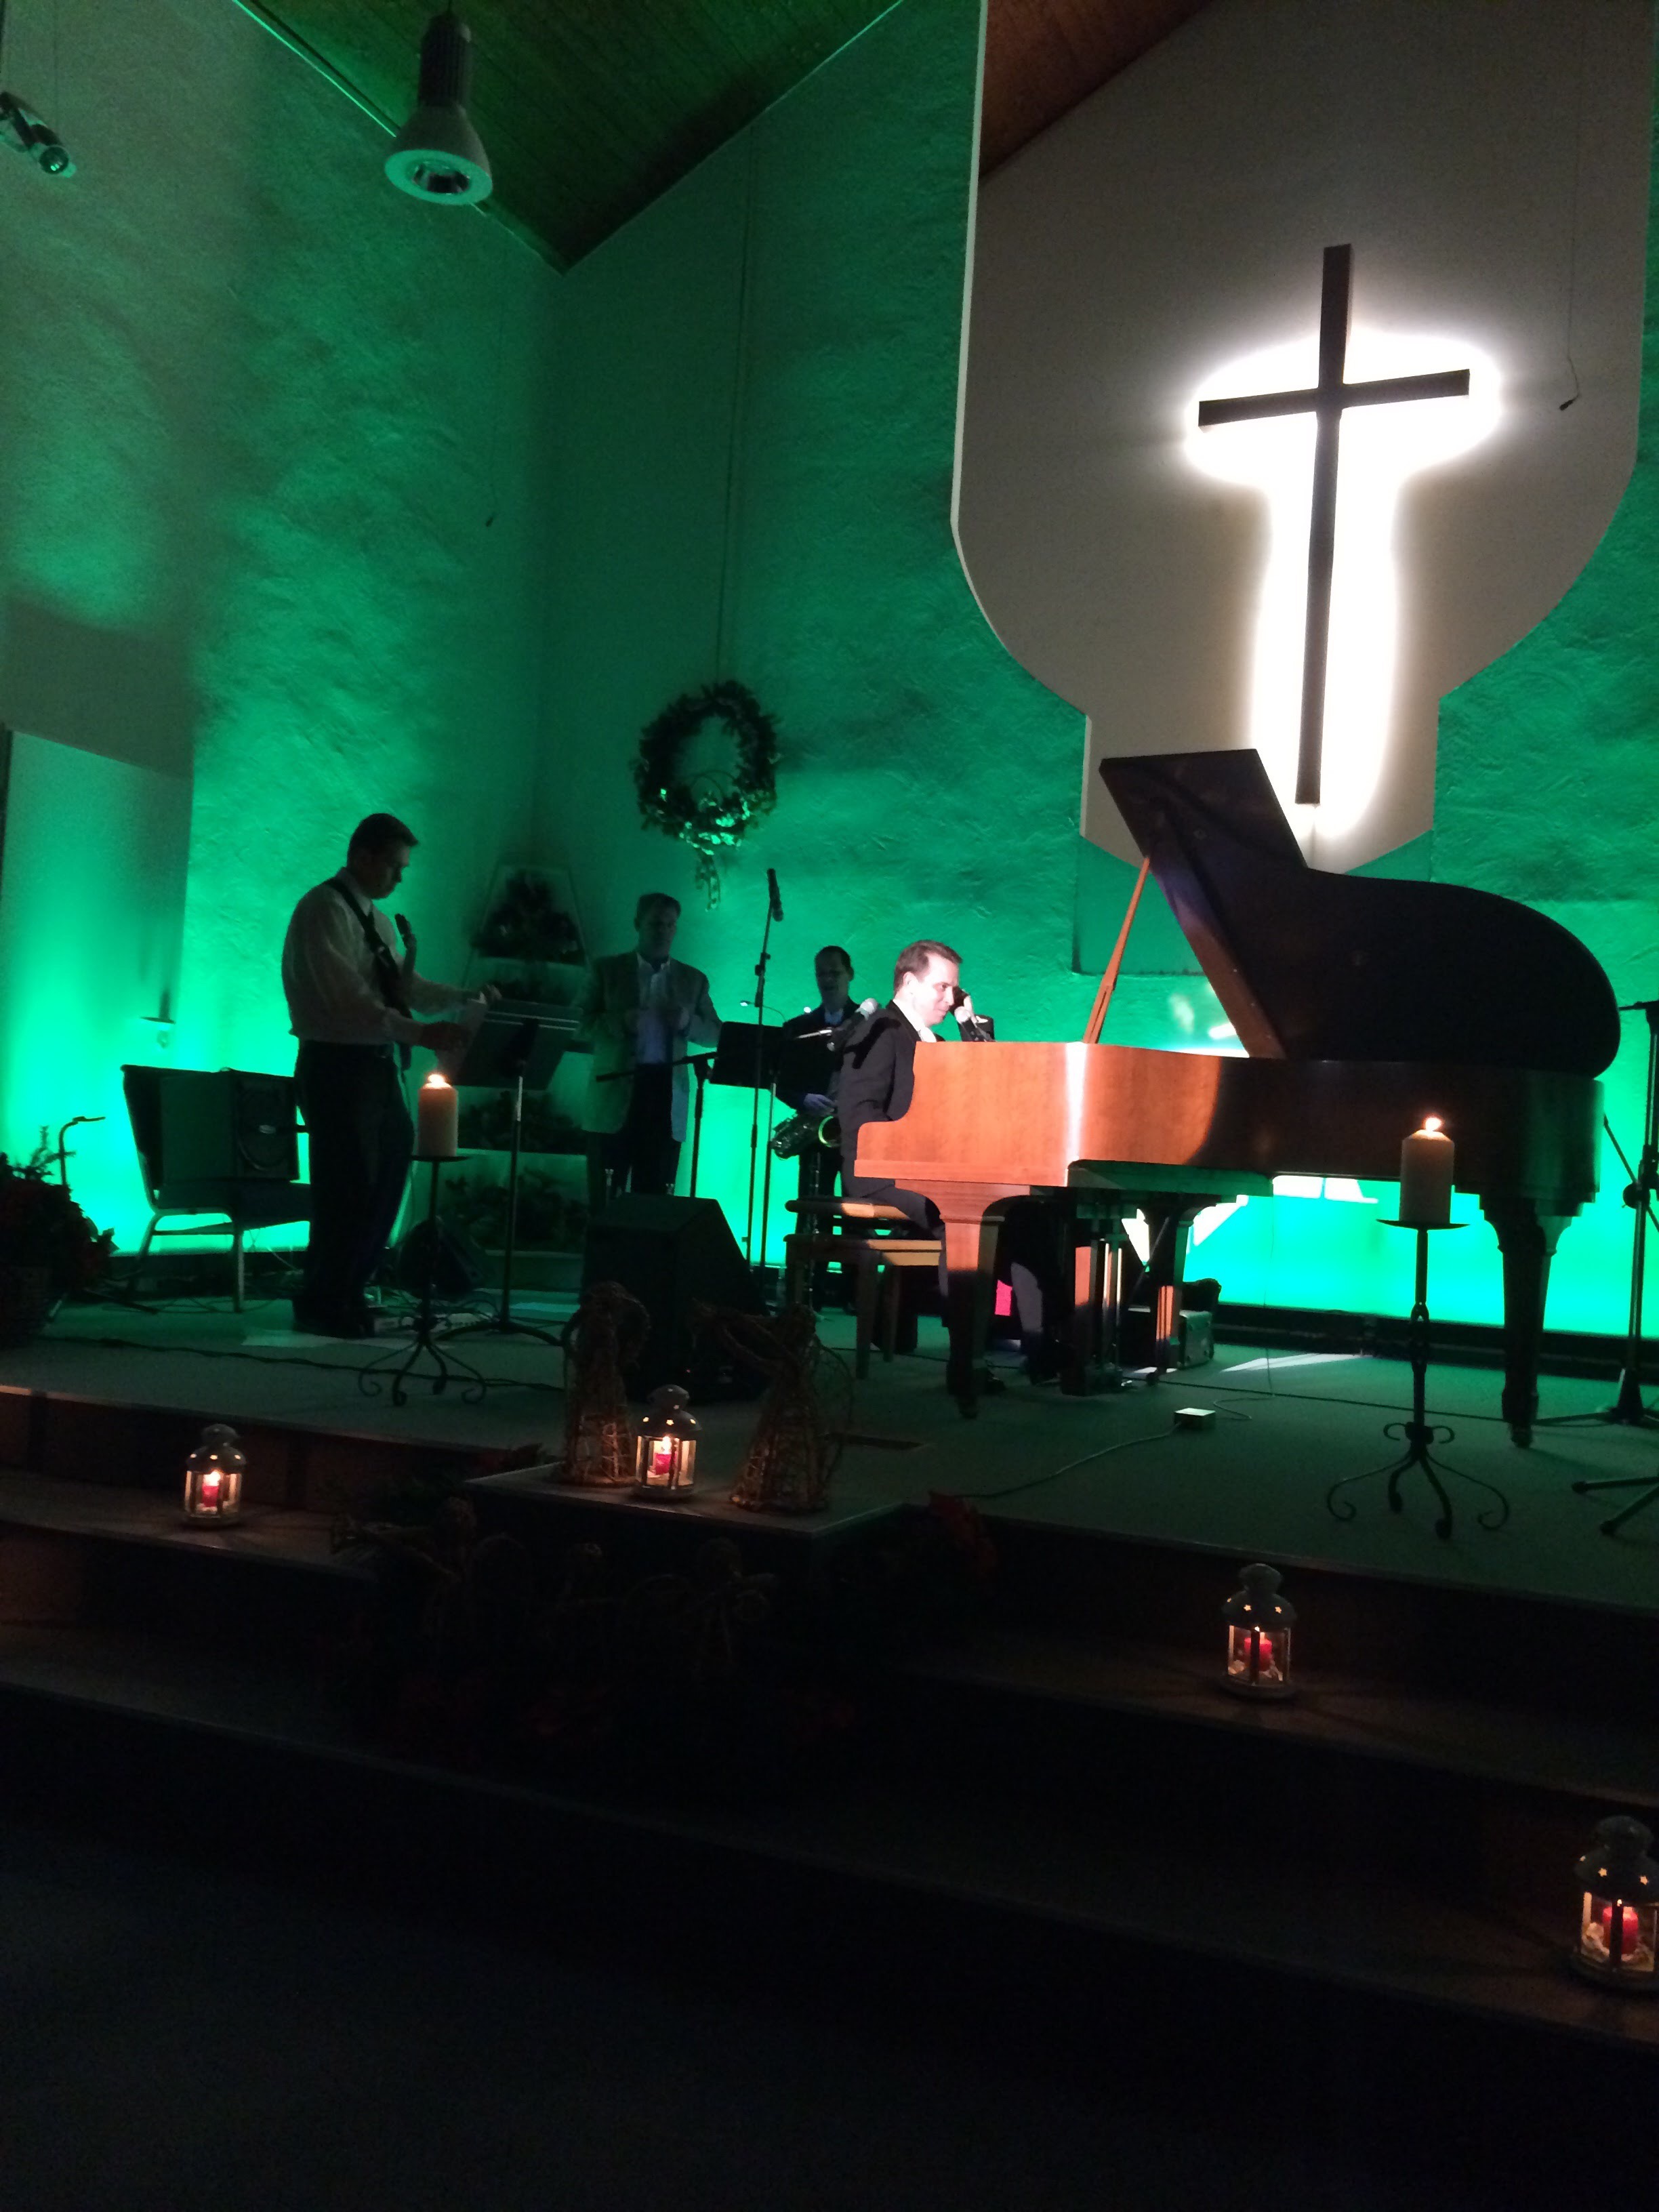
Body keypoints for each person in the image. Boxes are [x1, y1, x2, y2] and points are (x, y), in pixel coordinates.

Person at [281, 813, 483, 1338]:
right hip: (337, 1064)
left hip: (374, 1067)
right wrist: (421, 1034)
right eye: (394, 866)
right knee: (347, 1186)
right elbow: (346, 1000)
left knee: (387, 1175)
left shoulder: (378, 920)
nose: (399, 878)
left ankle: (349, 1290)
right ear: (362, 856)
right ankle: (324, 1299)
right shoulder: (323, 909)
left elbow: (404, 989)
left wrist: (465, 998)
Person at [839, 937, 1065, 1380]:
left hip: (930, 1170)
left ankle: (1043, 1345)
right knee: (962, 1216)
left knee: (1027, 1215)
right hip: (878, 1170)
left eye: (955, 990)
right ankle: (966, 1356)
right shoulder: (880, 1031)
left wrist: (970, 1027)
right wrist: (919, 1154)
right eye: (942, 988)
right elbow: (860, 1118)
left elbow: (983, 1097)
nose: (950, 999)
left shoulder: (936, 1041)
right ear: (909, 983)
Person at [579, 893, 722, 1210]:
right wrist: (620, 1021)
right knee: (605, 1199)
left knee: (656, 1204)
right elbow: (577, 1023)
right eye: (656, 923)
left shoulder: (693, 979)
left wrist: (687, 1022)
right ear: (637, 924)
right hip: (614, 1093)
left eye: (670, 925)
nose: (664, 931)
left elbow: (716, 1033)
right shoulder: (606, 971)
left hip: (666, 1097)